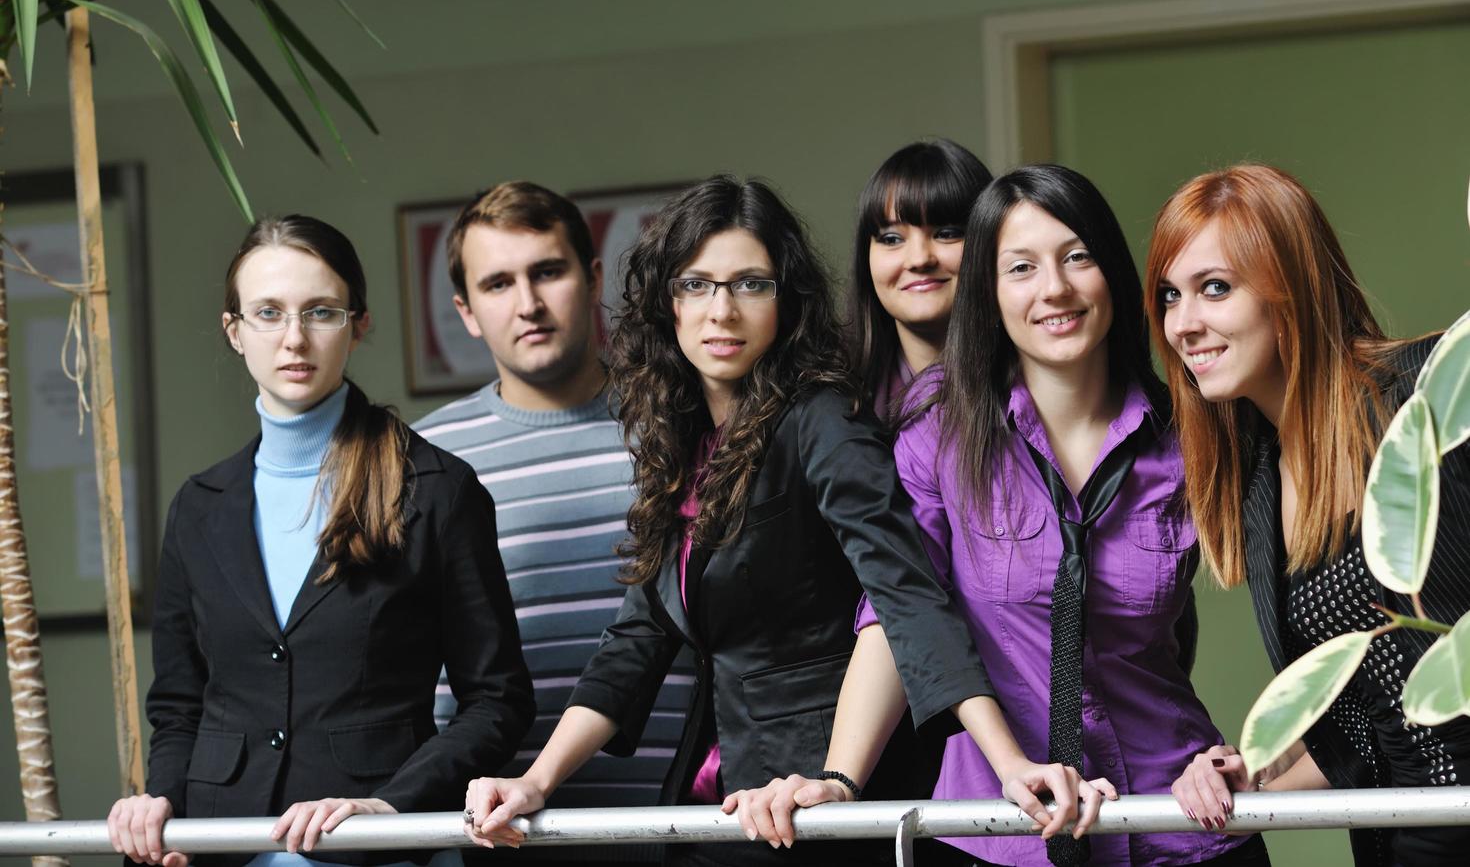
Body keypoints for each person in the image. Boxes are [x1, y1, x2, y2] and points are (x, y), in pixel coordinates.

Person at [726, 165, 1265, 867]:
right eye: (1021, 268)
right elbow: (898, 612)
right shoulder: (939, 434)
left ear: (1115, 275)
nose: (1055, 289)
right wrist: (840, 777)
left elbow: (1301, 604)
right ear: (988, 291)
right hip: (995, 833)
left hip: (1180, 821)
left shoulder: (1191, 433)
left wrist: (1256, 754)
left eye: (1078, 257)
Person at [462, 175, 992, 866]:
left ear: (786, 300)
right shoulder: (681, 443)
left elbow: (900, 595)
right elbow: (637, 637)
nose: (723, 311)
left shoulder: (821, 420)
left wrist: (848, 780)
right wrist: (536, 780)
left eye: (750, 284)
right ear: (666, 303)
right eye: (696, 285)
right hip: (725, 792)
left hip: (827, 801)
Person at [108, 216, 534, 867]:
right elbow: (179, 705)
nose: (294, 339)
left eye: (321, 312)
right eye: (268, 314)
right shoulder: (199, 508)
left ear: (359, 324)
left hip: (381, 851)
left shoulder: (438, 490)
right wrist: (159, 799)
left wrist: (392, 806)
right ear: (235, 332)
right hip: (223, 849)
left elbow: (498, 701)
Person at [1149, 164, 1470, 867]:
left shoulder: (1426, 393)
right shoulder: (1261, 488)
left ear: (1288, 288)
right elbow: (1368, 731)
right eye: (1171, 296)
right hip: (1401, 839)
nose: (1184, 323)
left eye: (1215, 288)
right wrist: (1250, 780)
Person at [413, 182, 693, 864]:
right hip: (497, 829)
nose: (528, 303)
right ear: (467, 311)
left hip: (685, 814)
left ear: (593, 277)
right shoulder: (425, 463)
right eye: (498, 283)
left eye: (548, 271)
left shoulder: (683, 423)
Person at [847, 138, 992, 421]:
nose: (919, 259)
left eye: (946, 233)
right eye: (891, 239)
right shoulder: (835, 396)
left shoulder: (1038, 386)